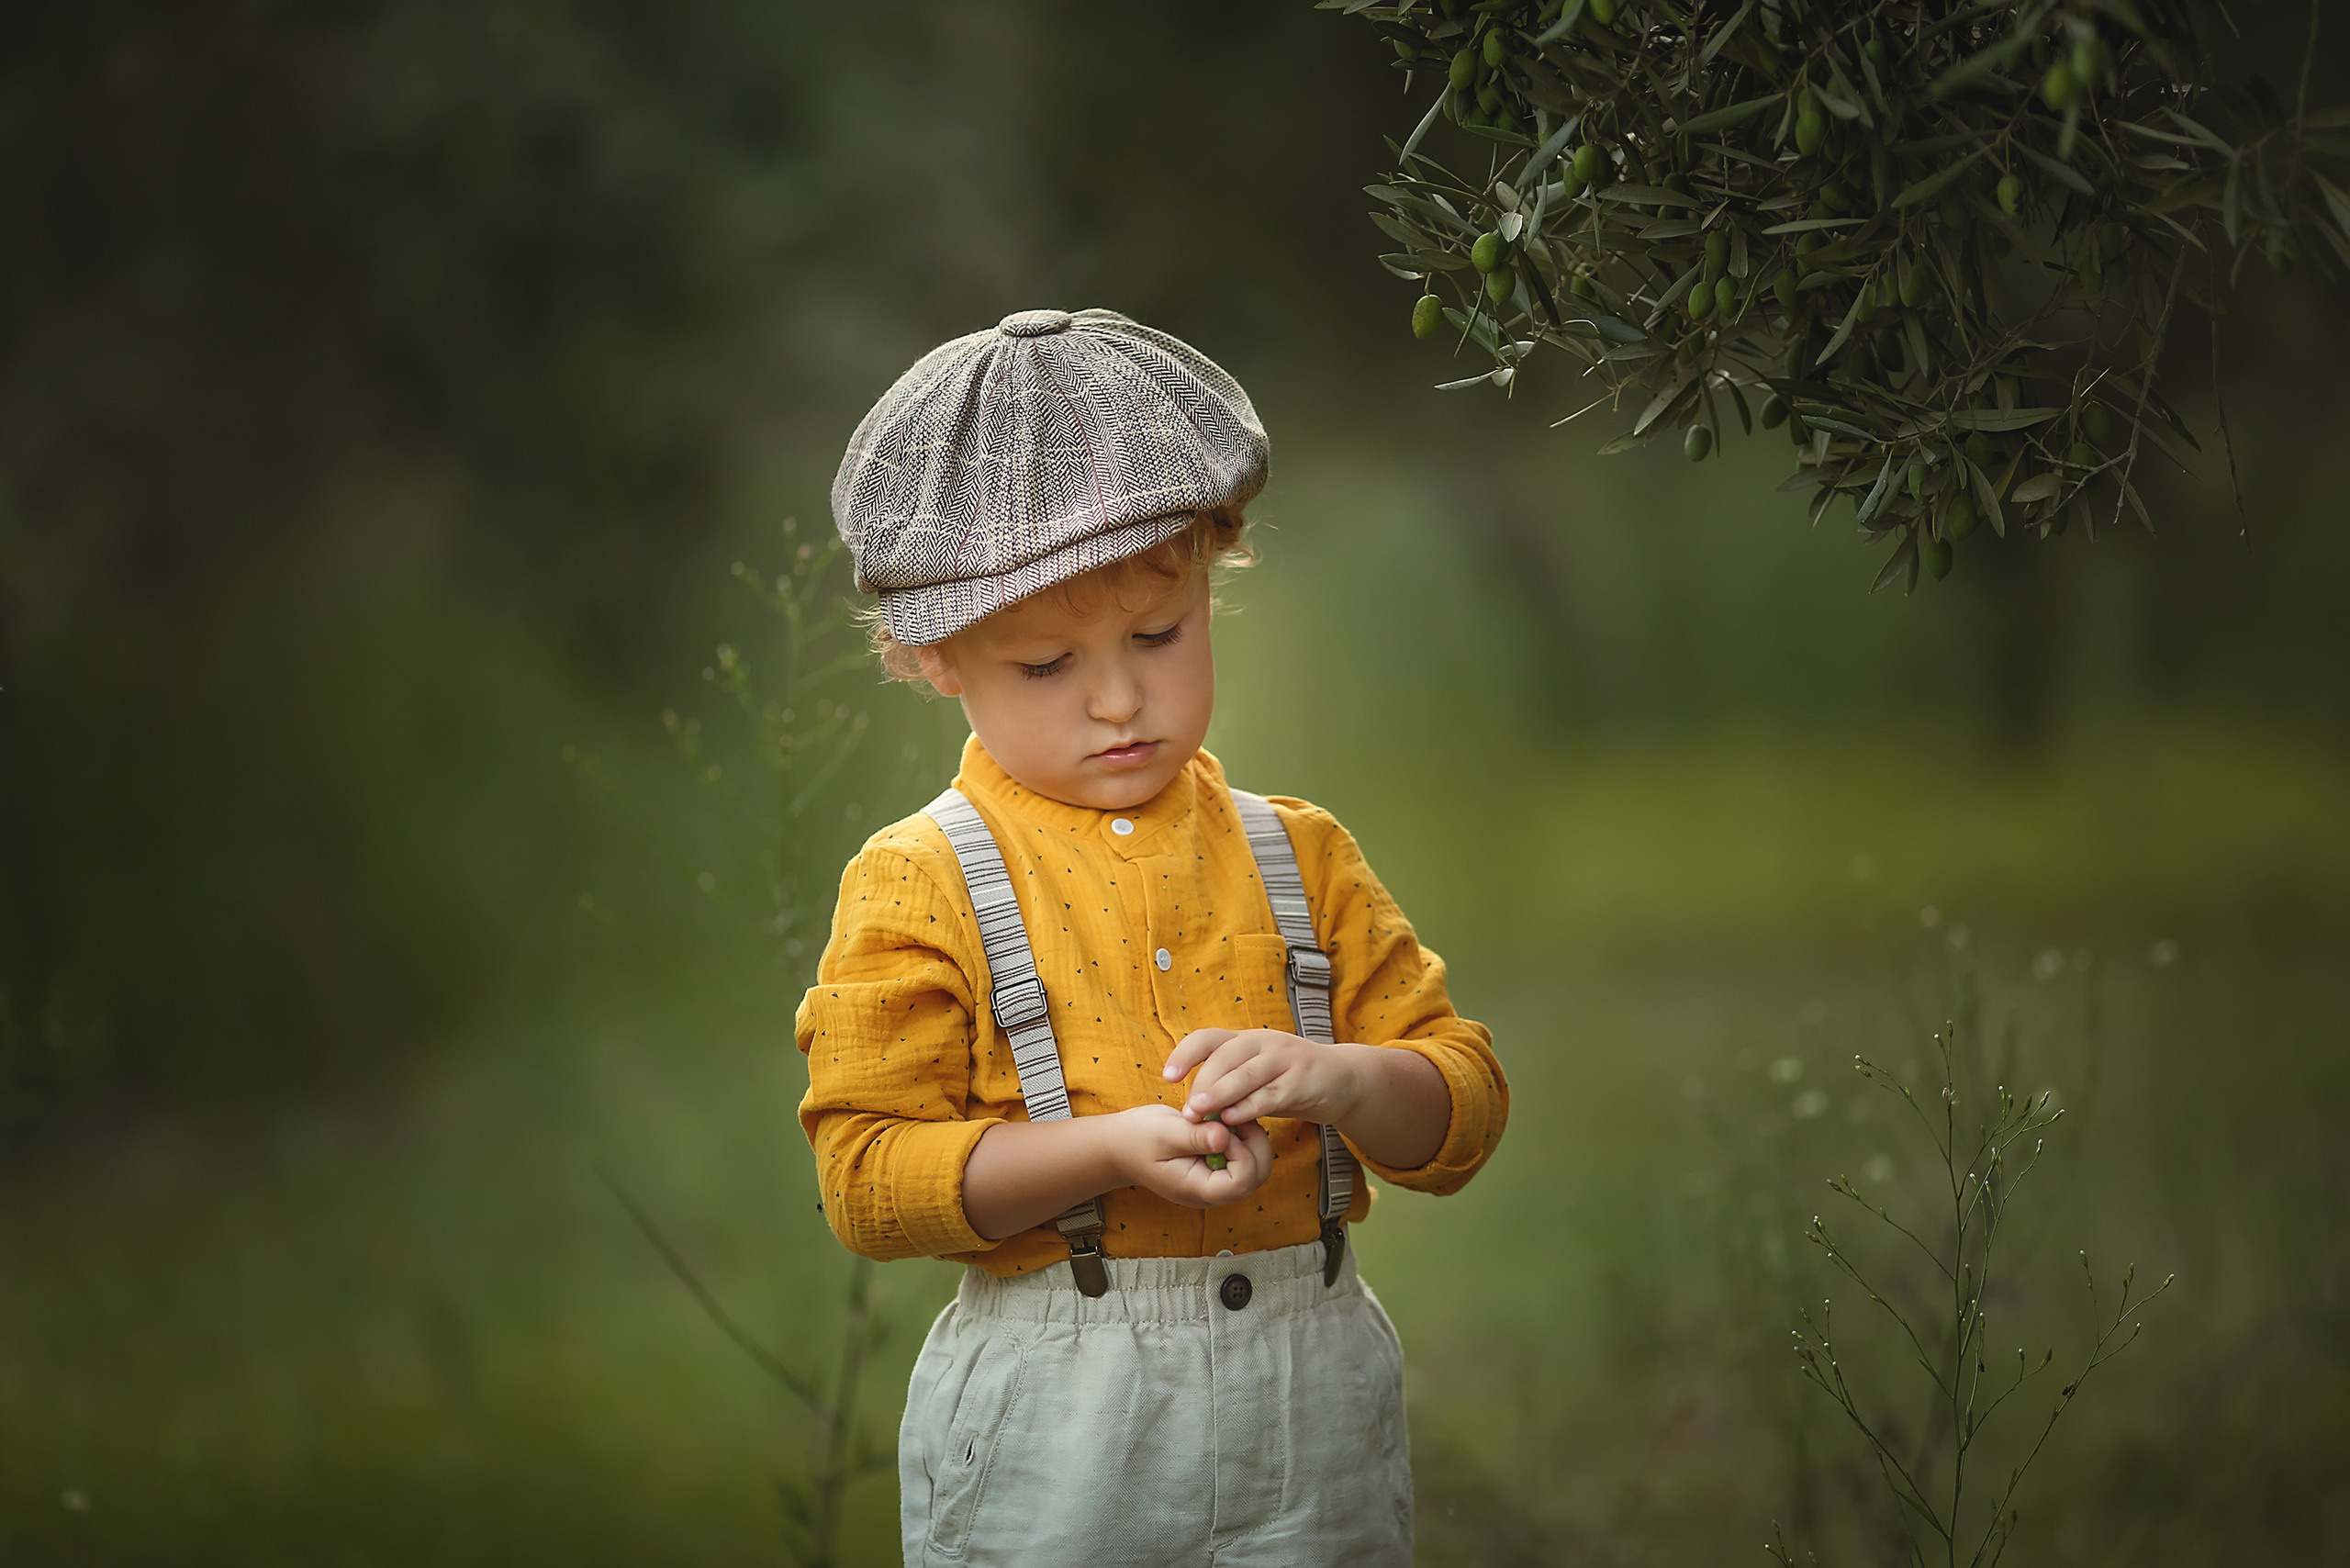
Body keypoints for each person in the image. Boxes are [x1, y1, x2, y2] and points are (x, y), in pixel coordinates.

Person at [799, 307, 1508, 1567]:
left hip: (1315, 1410)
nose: (1118, 699)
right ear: (934, 659)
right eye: (1045, 666)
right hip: (1064, 1430)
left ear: (1212, 573)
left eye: (1158, 637)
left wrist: (1342, 1079)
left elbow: (1462, 1114)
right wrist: (1105, 1151)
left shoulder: (1299, 854)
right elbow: (868, 1181)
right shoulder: (920, 882)